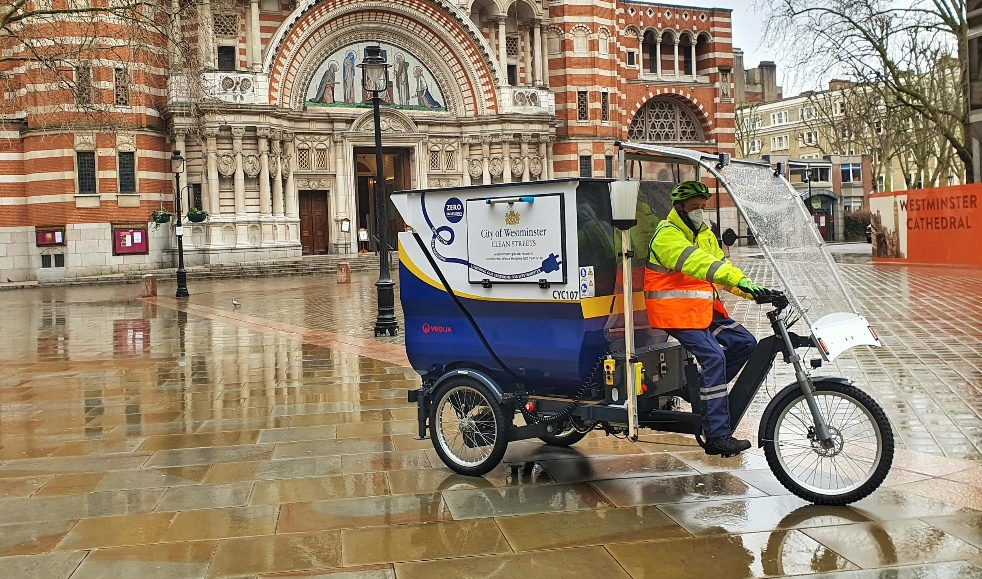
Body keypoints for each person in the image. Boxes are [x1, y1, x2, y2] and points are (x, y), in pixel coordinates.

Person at [644, 180, 775, 457]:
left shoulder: (704, 233)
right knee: (714, 358)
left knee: (744, 343)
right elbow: (703, 265)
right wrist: (740, 282)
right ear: (678, 208)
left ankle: (700, 391)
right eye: (695, 207)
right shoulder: (666, 235)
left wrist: (754, 291)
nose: (700, 212)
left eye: (703, 207)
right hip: (674, 314)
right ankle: (716, 434)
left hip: (701, 311)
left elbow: (723, 269)